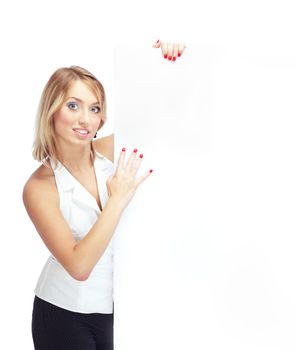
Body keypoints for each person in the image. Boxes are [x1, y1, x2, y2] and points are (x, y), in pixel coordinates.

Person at [23, 39, 186, 349]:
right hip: (62, 313)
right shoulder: (39, 187)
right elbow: (79, 266)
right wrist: (118, 199)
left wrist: (164, 56)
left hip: (112, 311)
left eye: (94, 108)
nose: (86, 118)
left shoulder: (109, 152)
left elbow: (163, 112)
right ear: (51, 111)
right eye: (73, 105)